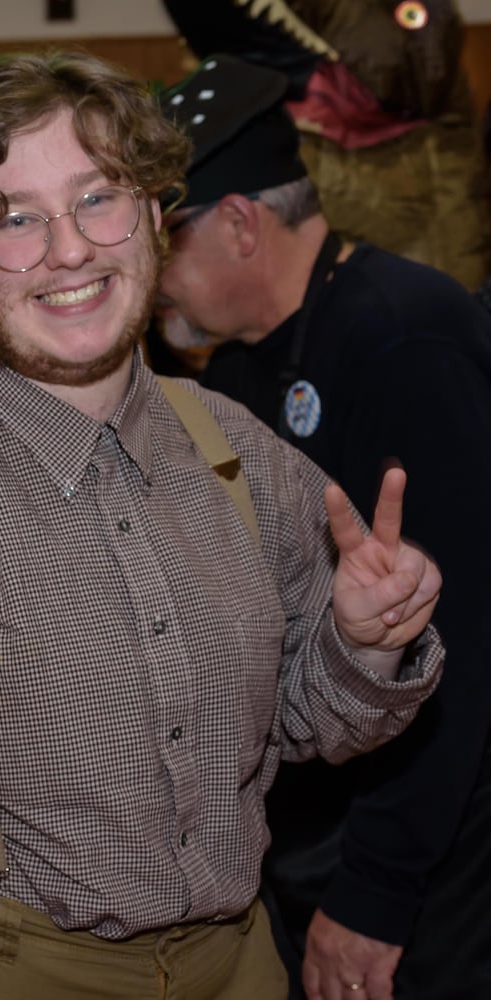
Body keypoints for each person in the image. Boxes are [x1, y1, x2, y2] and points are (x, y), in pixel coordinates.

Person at [0, 50, 446, 999]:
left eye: (99, 200)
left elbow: (297, 723)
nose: (71, 249)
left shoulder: (238, 450)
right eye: (14, 219)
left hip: (243, 962)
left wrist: (363, 648)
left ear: (155, 220)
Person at [157, 55, 491, 1000]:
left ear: (239, 225)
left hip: (425, 857)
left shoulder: (405, 334)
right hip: (307, 839)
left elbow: (461, 645)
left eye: (163, 245)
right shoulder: (232, 373)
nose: (148, 283)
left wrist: (377, 897)